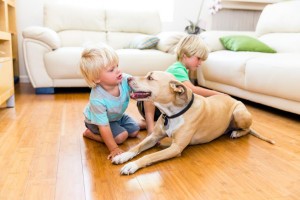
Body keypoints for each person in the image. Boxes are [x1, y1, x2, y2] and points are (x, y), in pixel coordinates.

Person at [138, 34, 224, 134]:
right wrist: (218, 94)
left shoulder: (182, 69)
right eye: (198, 58)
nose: (200, 63)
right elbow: (193, 90)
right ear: (185, 55)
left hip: (165, 108)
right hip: (152, 106)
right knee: (151, 96)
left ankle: (151, 123)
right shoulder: (177, 69)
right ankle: (150, 126)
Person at [80, 45, 142, 160]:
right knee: (121, 137)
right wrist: (113, 148)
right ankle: (90, 134)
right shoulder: (97, 99)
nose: (118, 70)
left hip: (117, 116)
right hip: (97, 122)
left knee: (134, 131)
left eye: (117, 66)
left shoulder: (125, 79)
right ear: (97, 79)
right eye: (111, 70)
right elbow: (104, 126)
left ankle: (130, 125)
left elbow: (141, 92)